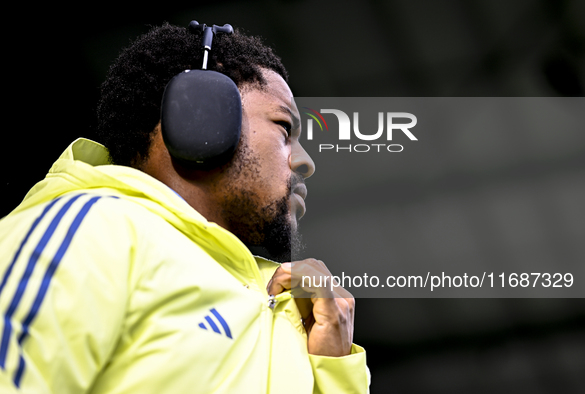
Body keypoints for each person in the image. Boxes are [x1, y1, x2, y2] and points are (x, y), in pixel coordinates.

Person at [0, 22, 369, 393]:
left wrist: (333, 370)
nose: (306, 162)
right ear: (201, 116)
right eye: (284, 127)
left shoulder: (296, 315)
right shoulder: (93, 230)